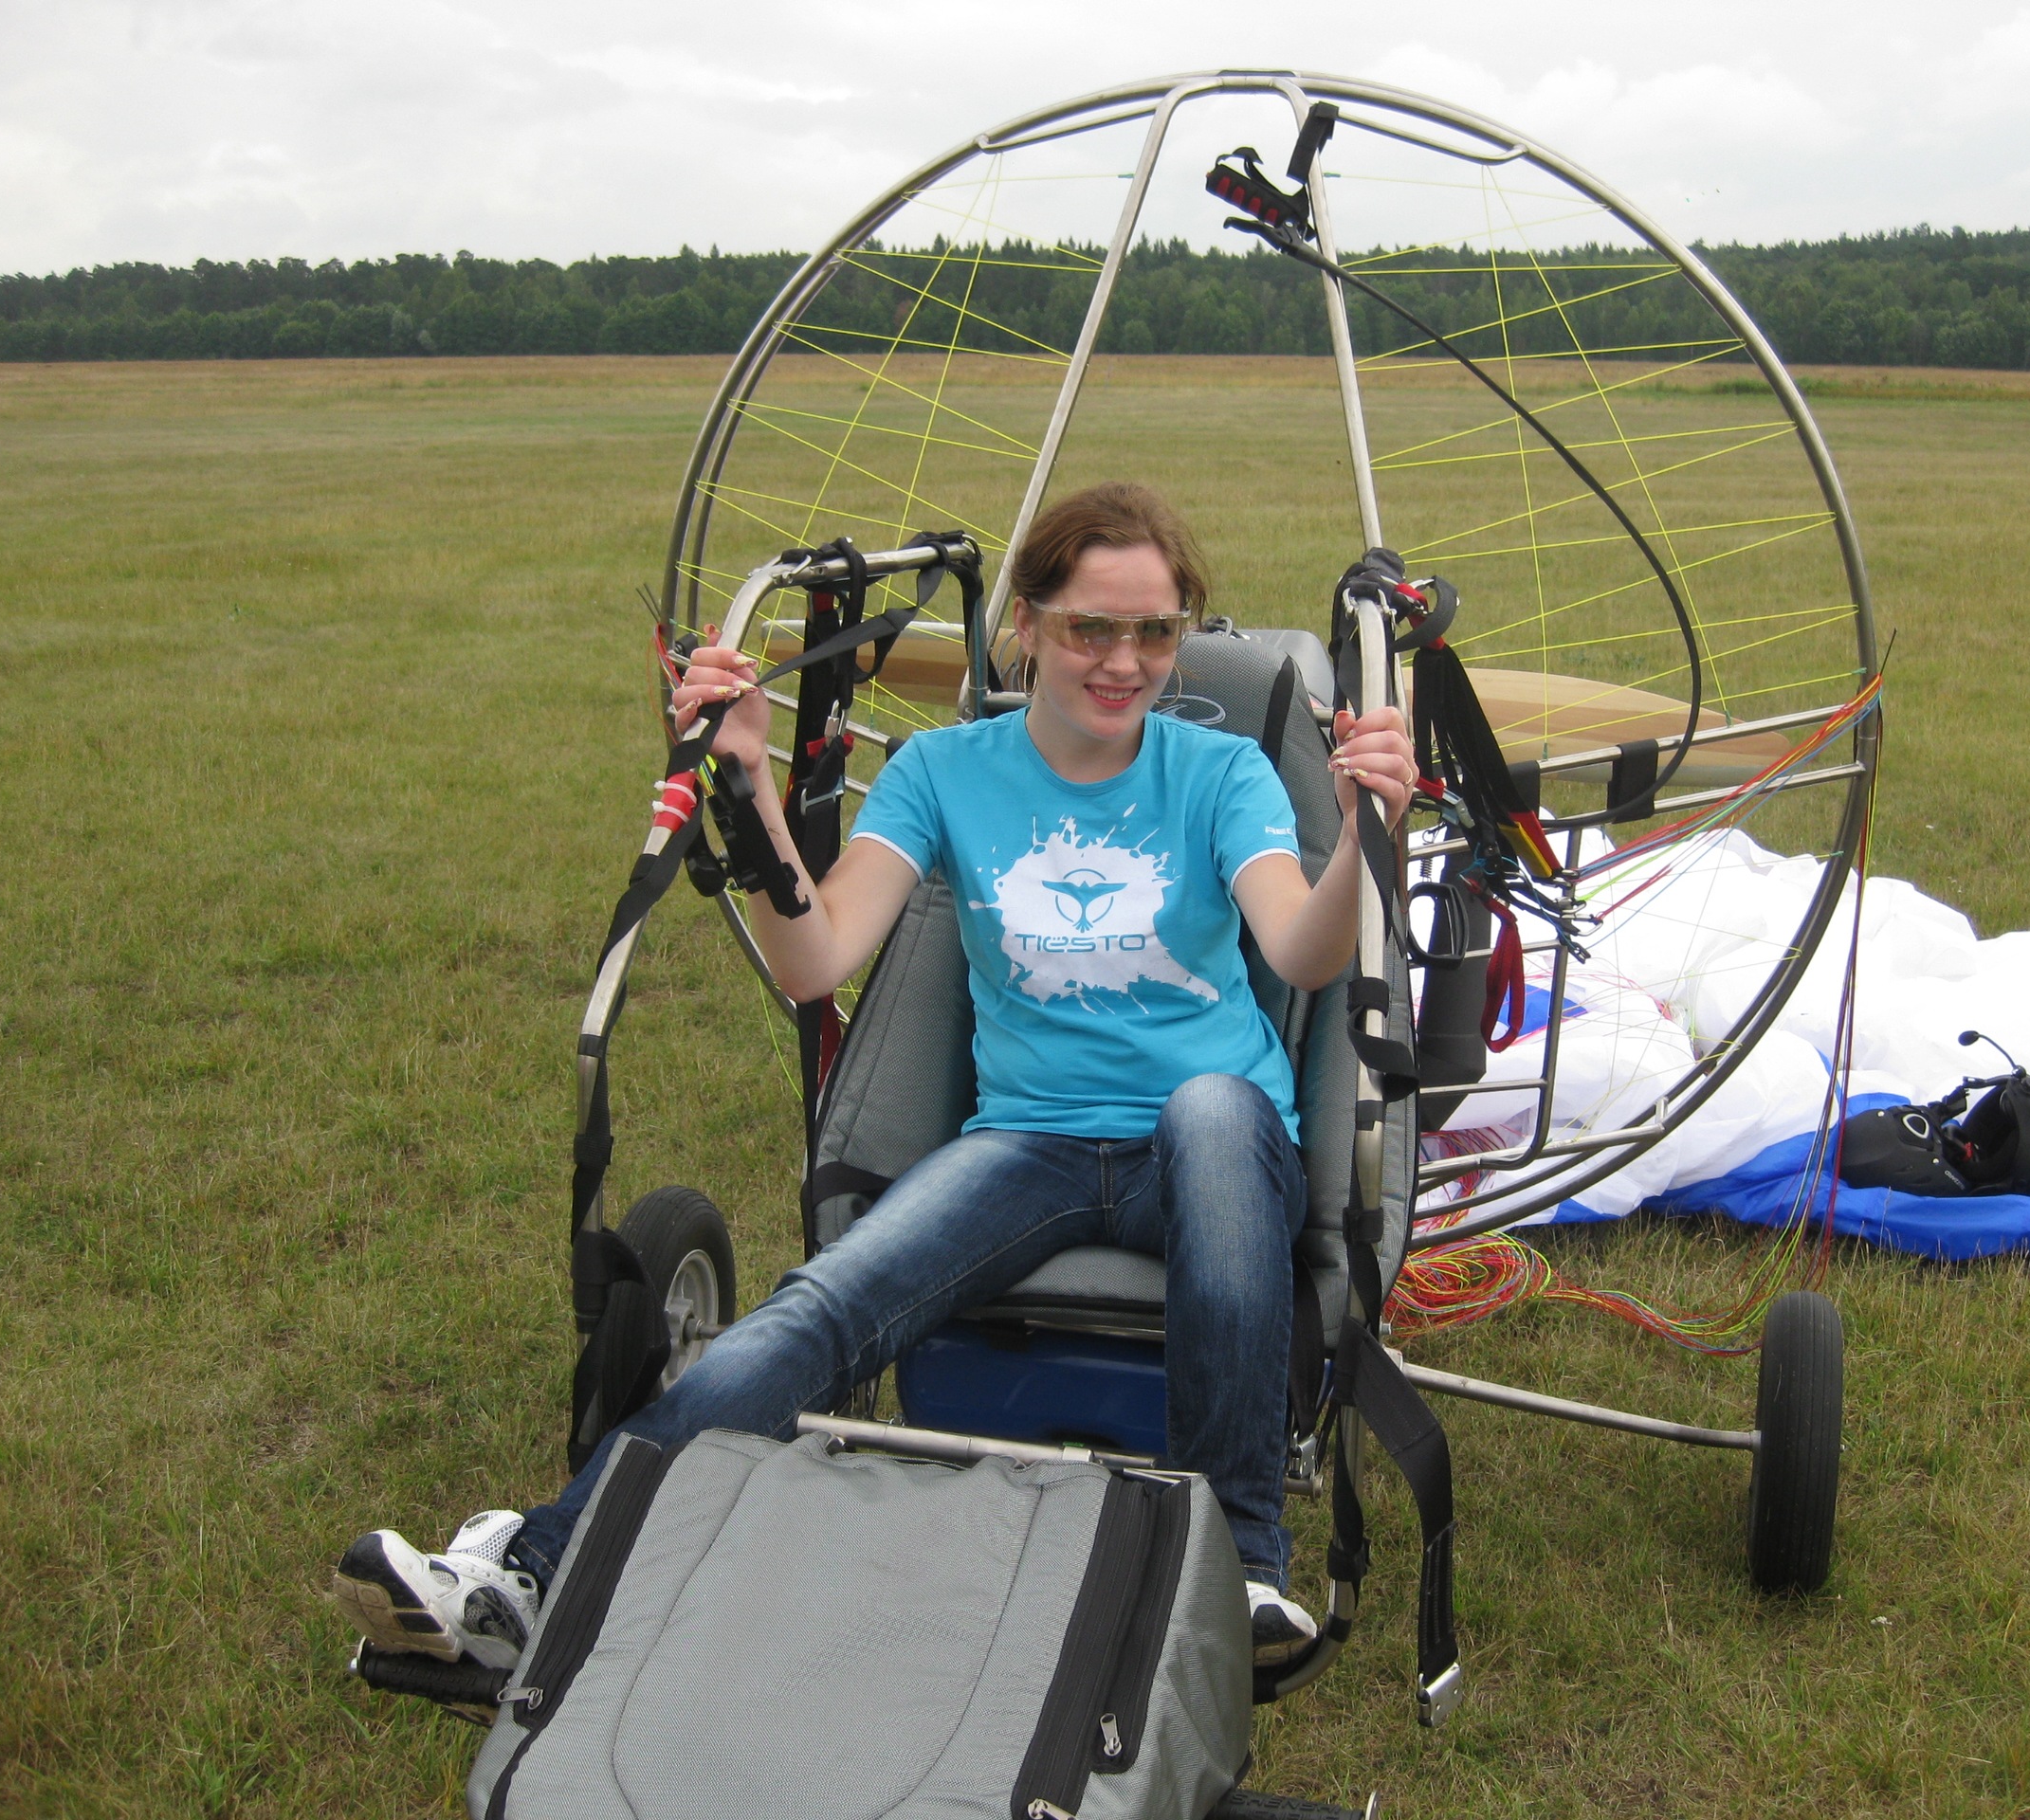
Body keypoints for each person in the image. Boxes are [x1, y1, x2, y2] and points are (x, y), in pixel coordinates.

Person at [332, 482, 1417, 1677]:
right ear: (1024, 625)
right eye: (1091, 629)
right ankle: (527, 1572)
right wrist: (750, 789)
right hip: (1031, 1145)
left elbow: (1300, 952)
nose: (1125, 662)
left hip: (1212, 1146)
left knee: (1210, 1107)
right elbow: (817, 957)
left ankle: (1239, 1566)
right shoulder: (944, 771)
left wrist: (1366, 836)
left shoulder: (1219, 773)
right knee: (822, 1302)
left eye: (1155, 632)